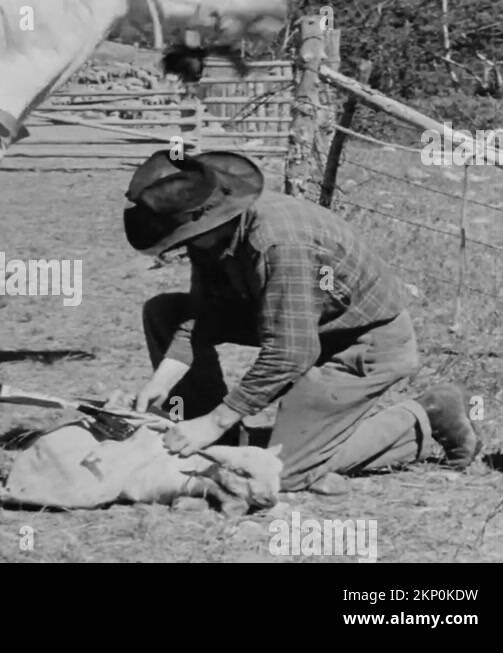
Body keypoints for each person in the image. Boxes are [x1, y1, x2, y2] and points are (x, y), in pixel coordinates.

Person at [116, 150, 482, 494]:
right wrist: (163, 381)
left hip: (361, 345)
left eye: (184, 238)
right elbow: (202, 313)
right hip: (298, 324)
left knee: (282, 471)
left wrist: (216, 420)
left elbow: (291, 351)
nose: (183, 246)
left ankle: (428, 415)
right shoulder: (211, 236)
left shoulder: (278, 242)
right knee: (165, 311)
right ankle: (217, 440)